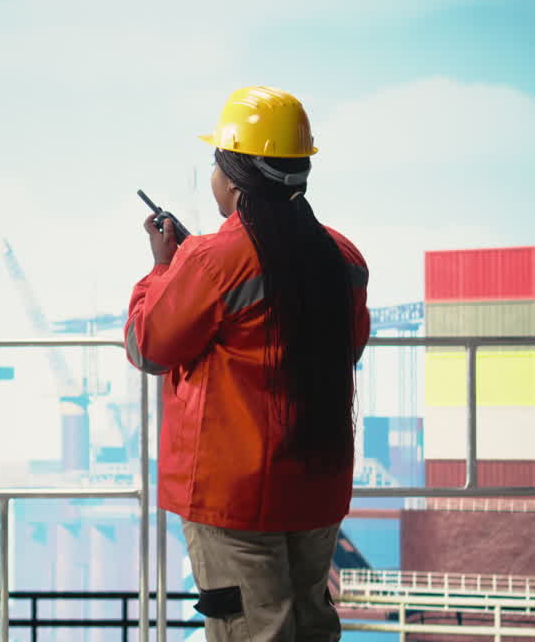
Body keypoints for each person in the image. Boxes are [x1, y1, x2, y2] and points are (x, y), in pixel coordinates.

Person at [124, 86, 369, 642]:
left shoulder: (211, 261)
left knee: (252, 633)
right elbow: (347, 347)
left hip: (233, 496)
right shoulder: (344, 257)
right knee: (310, 626)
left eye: (216, 161)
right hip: (317, 486)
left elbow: (148, 346)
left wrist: (166, 268)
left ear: (233, 177)